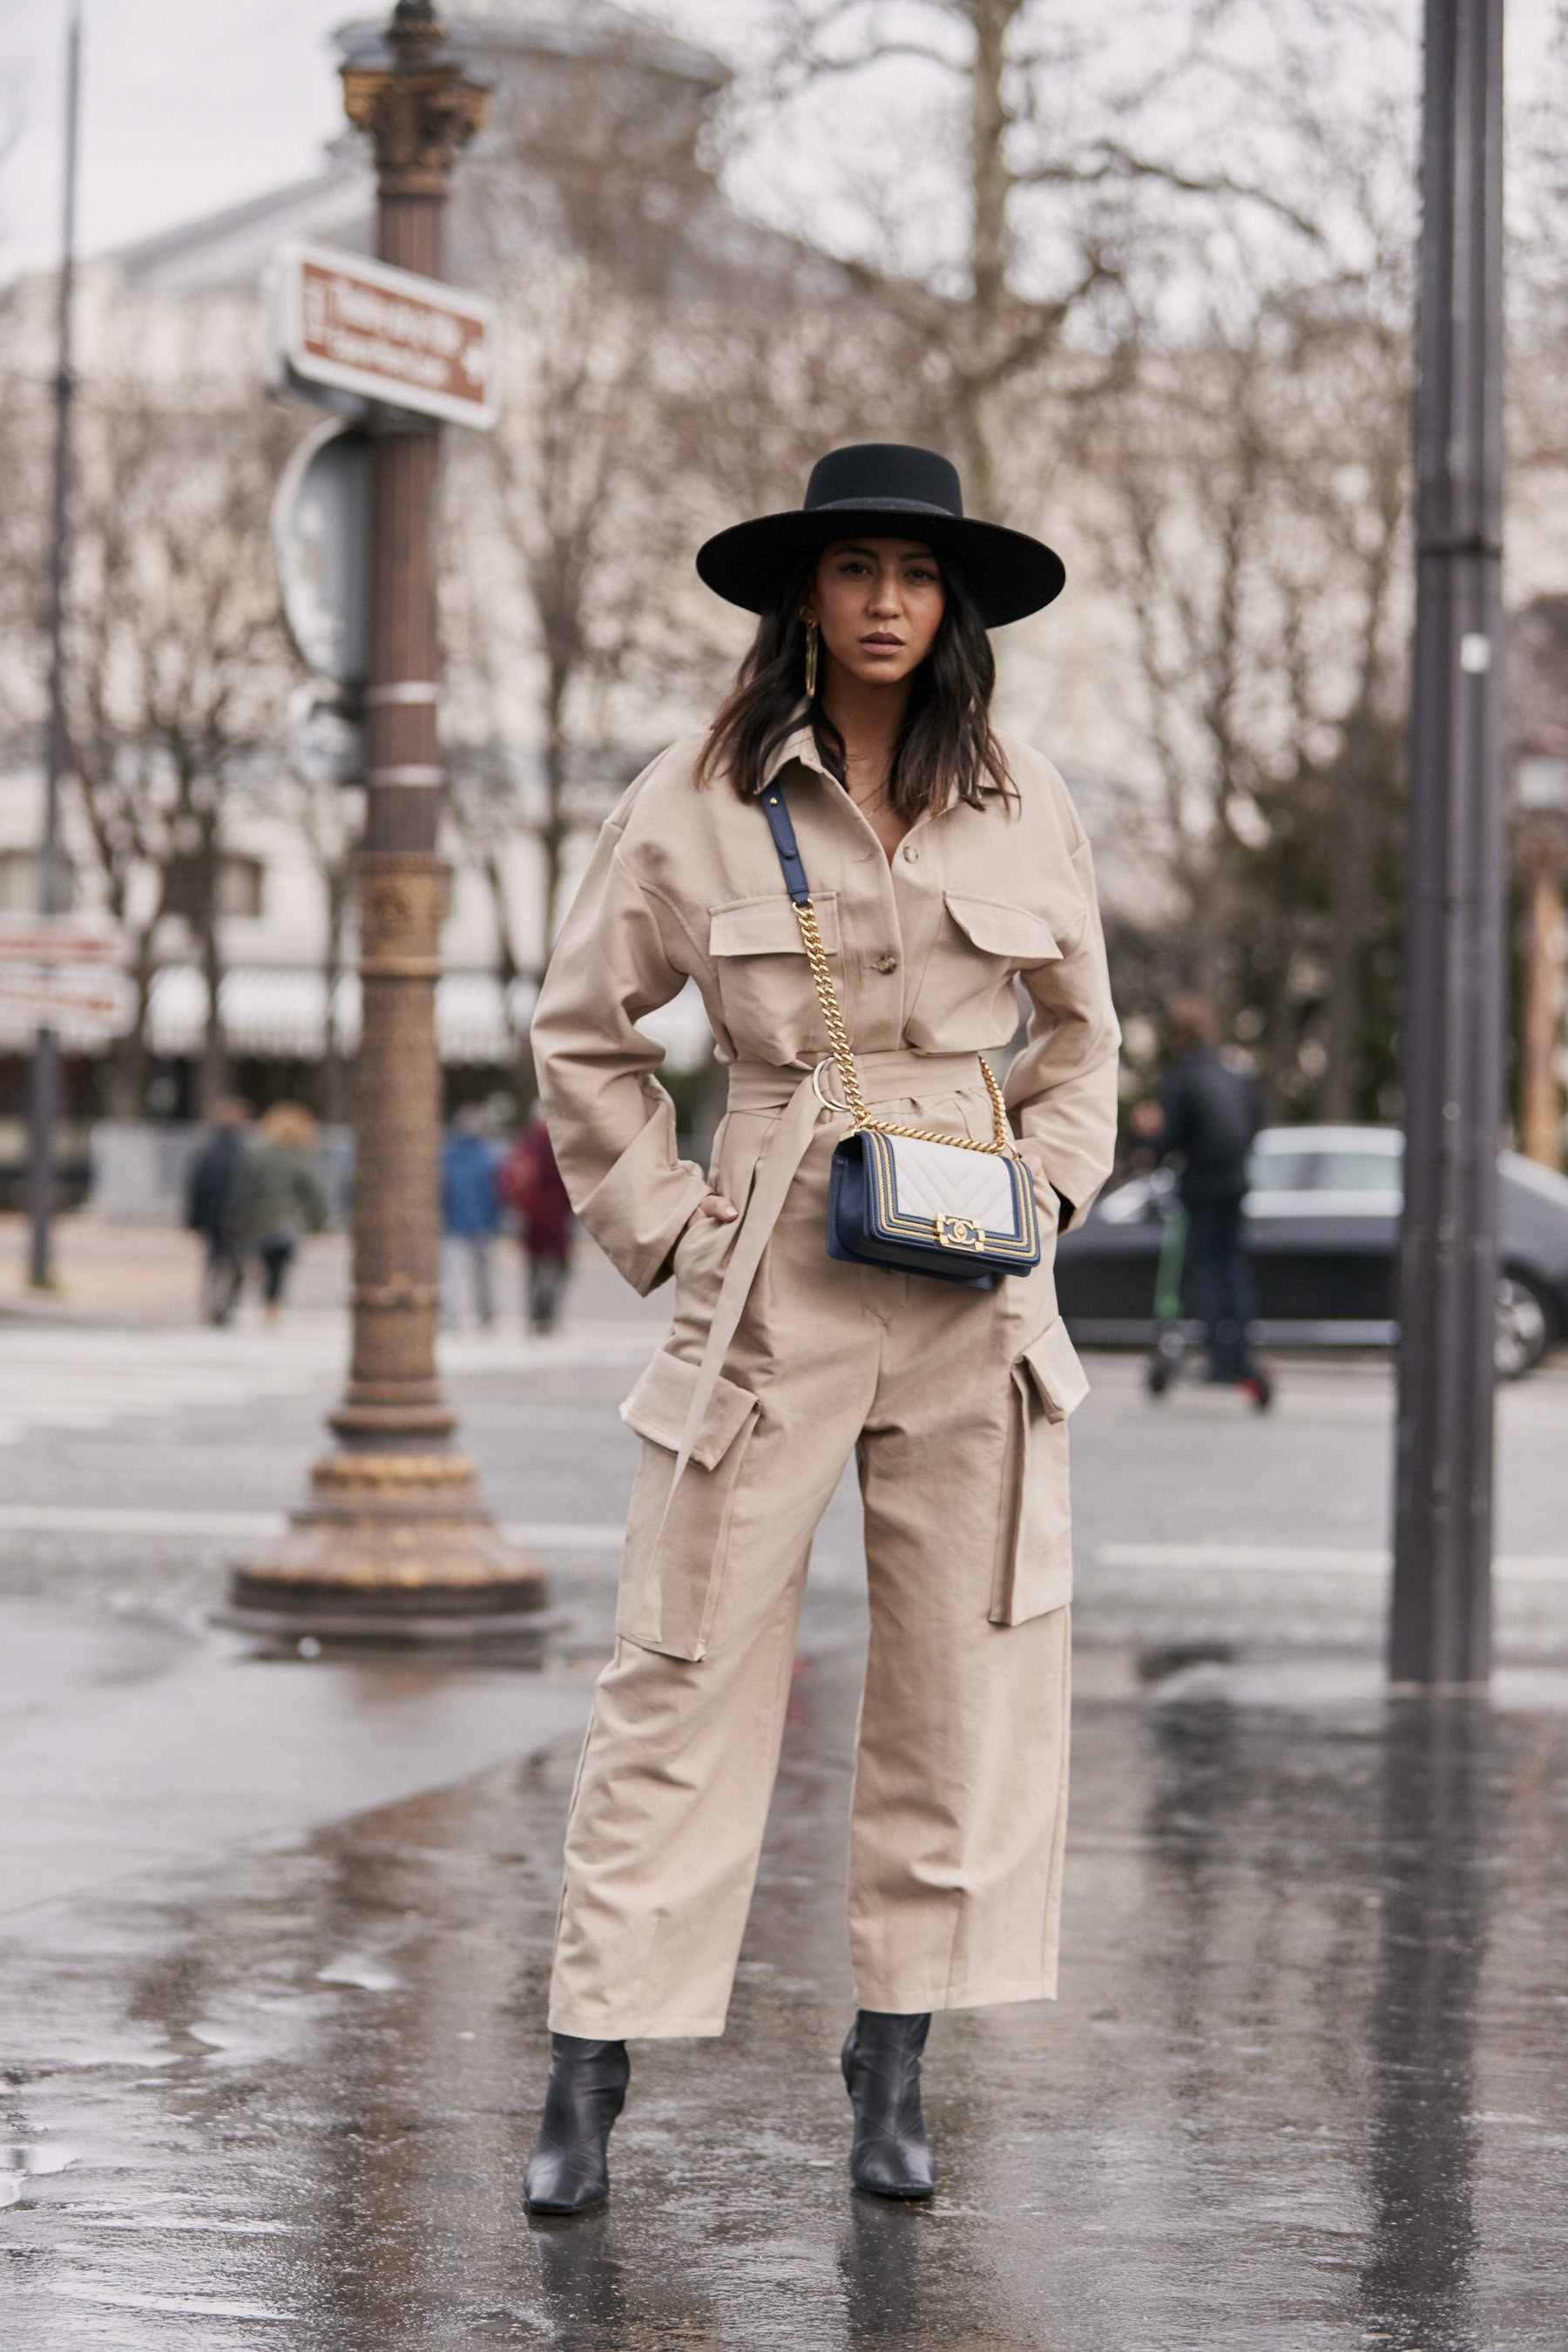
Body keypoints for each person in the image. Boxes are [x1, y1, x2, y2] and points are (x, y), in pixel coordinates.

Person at [523, 443, 1119, 2213]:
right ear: (806, 591)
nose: (882, 602)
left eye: (914, 576)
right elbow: (583, 1032)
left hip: (975, 1278)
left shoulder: (1024, 796)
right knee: (683, 1667)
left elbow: (1083, 1047)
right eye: (854, 568)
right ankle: (589, 2066)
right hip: (773, 1263)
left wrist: (1054, 1199)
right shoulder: (694, 792)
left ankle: (896, 2059)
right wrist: (670, 1215)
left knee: (962, 1680)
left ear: (953, 608)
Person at [1130, 995, 1270, 1406]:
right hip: (1236, 1183)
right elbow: (1256, 1120)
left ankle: (1219, 1358)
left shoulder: (1181, 1078)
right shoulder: (1232, 1071)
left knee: (1205, 1269)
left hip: (1202, 1187)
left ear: (1175, 1036)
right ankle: (1240, 1351)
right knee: (1233, 1269)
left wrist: (1147, 1140)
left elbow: (1168, 1138)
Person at [228, 1101, 328, 1324]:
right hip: (288, 1222)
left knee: (266, 1263)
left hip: (260, 1222)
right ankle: (272, 1305)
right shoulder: (299, 1157)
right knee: (279, 1267)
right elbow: (313, 1192)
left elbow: (244, 1190)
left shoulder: (258, 1156)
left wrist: (238, 1216)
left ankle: (269, 1302)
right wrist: (319, 1221)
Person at [499, 1114, 574, 1335]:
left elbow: (508, 1181)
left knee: (532, 1269)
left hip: (530, 1219)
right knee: (560, 1268)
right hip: (556, 1219)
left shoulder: (525, 1145)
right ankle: (547, 1313)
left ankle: (534, 1315)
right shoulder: (558, 1148)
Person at [184, 1096, 250, 1325]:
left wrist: (193, 1219)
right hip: (237, 1218)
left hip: (211, 1215)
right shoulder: (245, 1155)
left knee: (214, 1258)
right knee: (234, 1262)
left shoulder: (207, 1153)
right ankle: (224, 1303)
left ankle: (213, 1296)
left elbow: (196, 1188)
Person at [440, 1105, 501, 1329]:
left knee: (452, 1276)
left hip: (454, 1223)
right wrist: (495, 1221)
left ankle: (452, 1317)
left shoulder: (448, 1156)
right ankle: (485, 1316)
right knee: (482, 1276)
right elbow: (494, 1195)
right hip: (479, 1224)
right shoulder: (486, 1157)